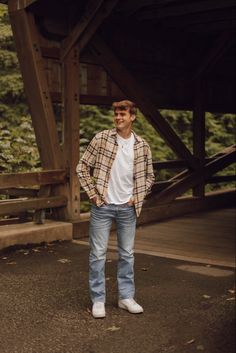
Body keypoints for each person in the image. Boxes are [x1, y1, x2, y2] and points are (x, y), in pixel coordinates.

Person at [76, 100, 155, 318]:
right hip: (103, 206)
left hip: (127, 209)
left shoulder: (142, 145)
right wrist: (93, 194)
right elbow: (82, 166)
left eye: (123, 114)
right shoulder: (102, 138)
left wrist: (137, 197)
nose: (118, 117)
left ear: (133, 117)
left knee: (127, 254)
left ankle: (126, 298)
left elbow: (149, 177)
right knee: (98, 254)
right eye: (116, 114)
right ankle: (98, 300)